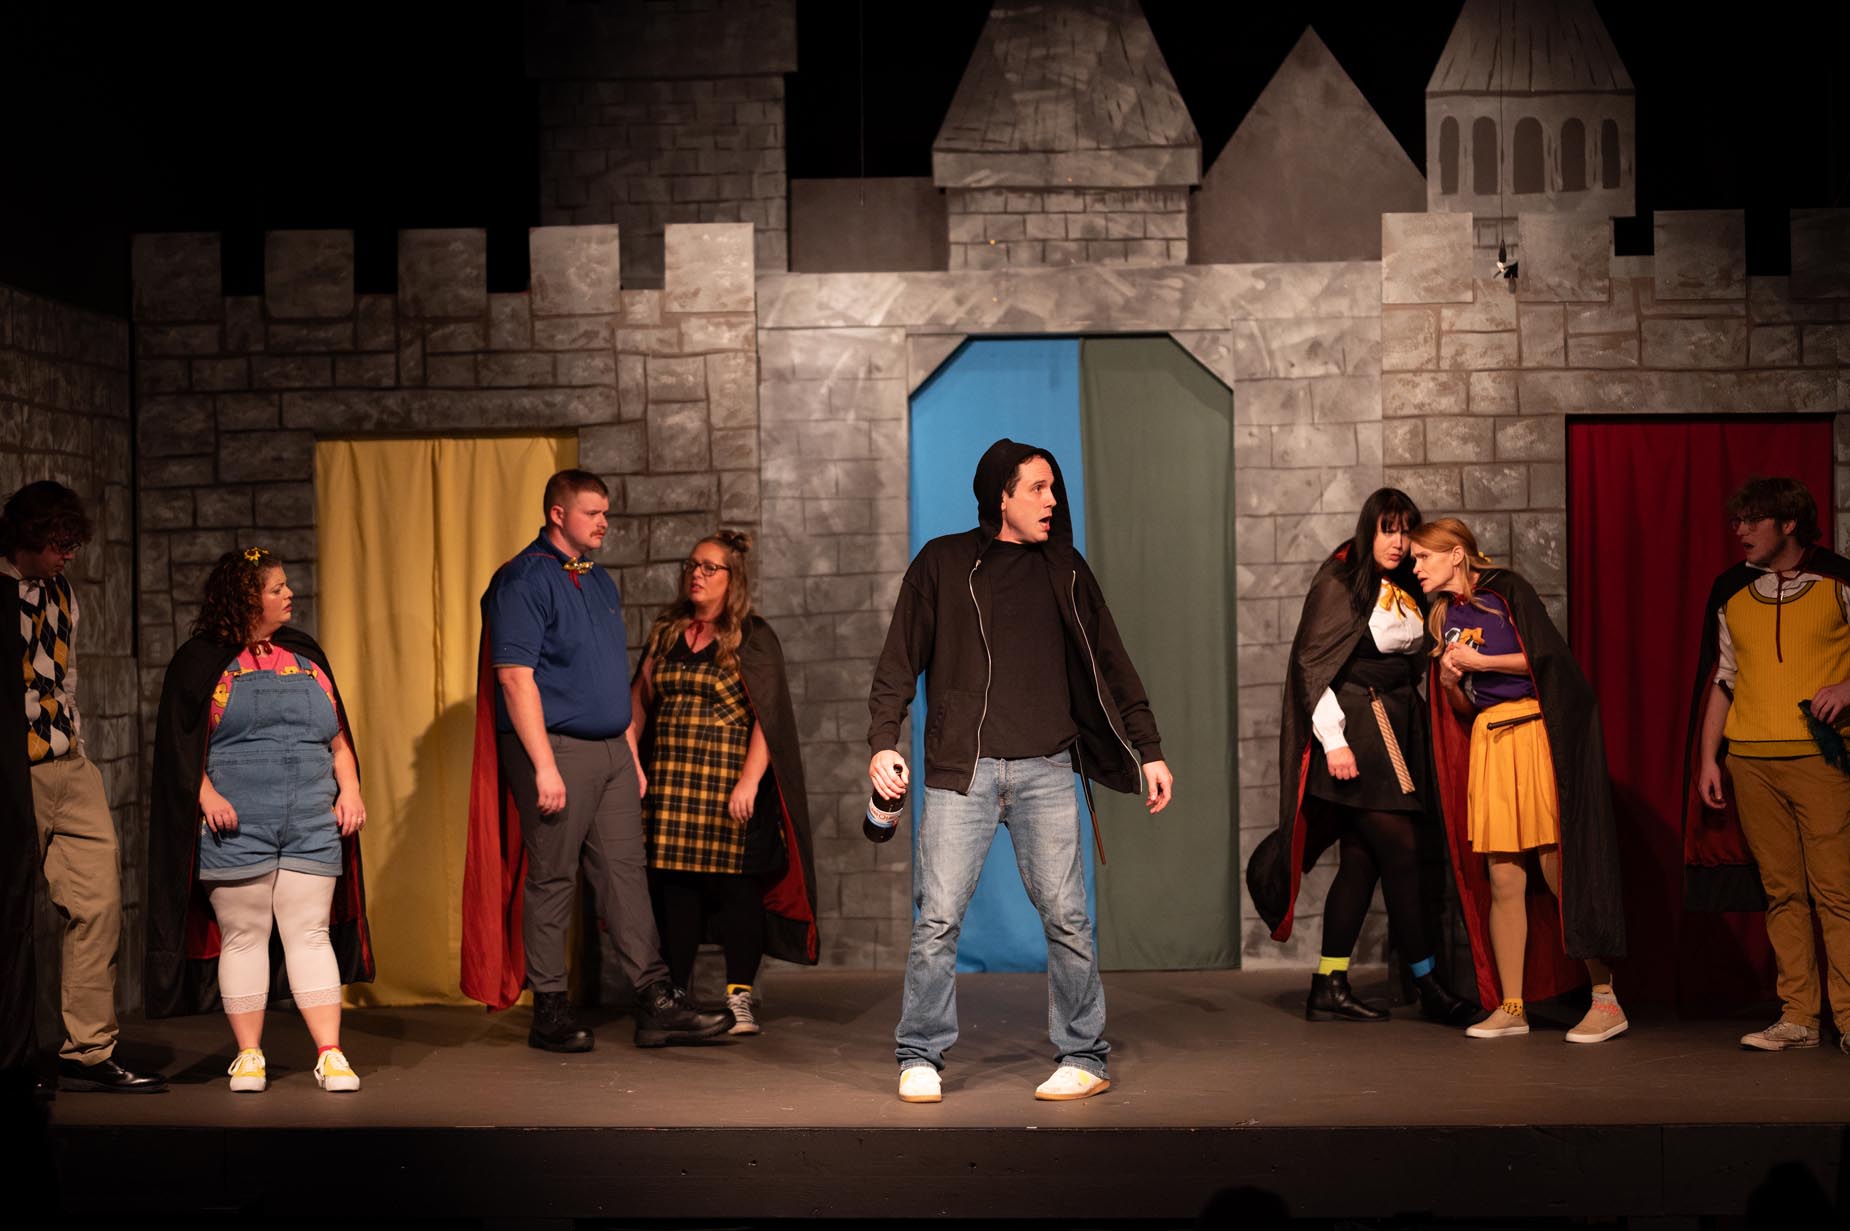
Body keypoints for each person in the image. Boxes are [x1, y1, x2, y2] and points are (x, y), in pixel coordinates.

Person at [867, 438, 1173, 1104]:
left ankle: (1084, 1055)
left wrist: (1147, 747)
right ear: (1000, 495)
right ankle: (919, 1054)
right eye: (1037, 487)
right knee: (937, 919)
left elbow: (1114, 662)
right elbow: (897, 662)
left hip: (1048, 769)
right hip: (963, 771)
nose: (1051, 499)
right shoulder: (943, 563)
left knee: (1068, 918)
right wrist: (882, 741)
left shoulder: (1066, 568)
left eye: (1053, 488)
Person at [462, 469, 729, 1049]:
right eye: (592, 512)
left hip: (611, 750)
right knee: (554, 877)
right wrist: (543, 765)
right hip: (556, 747)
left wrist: (629, 750)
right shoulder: (523, 579)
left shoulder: (599, 580)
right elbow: (514, 678)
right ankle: (549, 1010)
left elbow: (609, 677)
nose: (604, 522)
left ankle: (654, 999)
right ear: (558, 515)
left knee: (626, 874)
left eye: (605, 512)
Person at [1247, 489, 1478, 1027]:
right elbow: (1311, 666)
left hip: (1397, 723)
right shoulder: (1340, 581)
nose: (1398, 542)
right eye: (1387, 529)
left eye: (1406, 531)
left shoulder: (1409, 585)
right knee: (1402, 852)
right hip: (1360, 727)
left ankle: (1328, 984)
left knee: (1362, 860)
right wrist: (1334, 741)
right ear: (1368, 529)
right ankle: (1429, 985)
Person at [148, 547, 374, 1093]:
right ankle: (249, 1055)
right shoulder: (201, 662)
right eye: (277, 589)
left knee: (310, 934)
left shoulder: (306, 656)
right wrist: (205, 796)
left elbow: (338, 740)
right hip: (237, 825)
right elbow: (180, 749)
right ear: (248, 600)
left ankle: (330, 1054)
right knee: (244, 935)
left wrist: (350, 790)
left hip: (310, 821)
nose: (289, 594)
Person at [1409, 518, 1627, 1042]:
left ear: (1455, 554)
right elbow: (1464, 708)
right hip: (1489, 741)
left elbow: (1546, 659)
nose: (1415, 567)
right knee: (1504, 877)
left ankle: (1606, 1000)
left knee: (1557, 868)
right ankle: (1511, 1006)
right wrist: (1451, 682)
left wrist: (1481, 661)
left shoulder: (1504, 592)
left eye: (1423, 557)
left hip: (1532, 734)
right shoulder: (1444, 617)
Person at [2, 481, 164, 1093]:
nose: (68, 554)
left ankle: (88, 1050)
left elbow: (65, 675)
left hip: (69, 766)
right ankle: (11, 1059)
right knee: (10, 918)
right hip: (13, 774)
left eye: (72, 543)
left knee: (98, 905)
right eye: (59, 543)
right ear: (28, 536)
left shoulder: (62, 591)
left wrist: (79, 743)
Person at [630, 530, 820, 1034]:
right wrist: (631, 758)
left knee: (738, 891)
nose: (697, 574)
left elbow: (767, 717)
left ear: (732, 578)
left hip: (727, 785)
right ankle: (674, 997)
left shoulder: (752, 636)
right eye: (692, 565)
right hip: (671, 786)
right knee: (676, 891)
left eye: (709, 567)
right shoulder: (667, 630)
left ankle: (738, 999)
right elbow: (640, 698)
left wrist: (749, 782)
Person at [1685, 477, 1850, 1054]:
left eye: (1753, 520)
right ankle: (1799, 1015)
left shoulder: (1839, 581)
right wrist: (1709, 758)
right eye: (1737, 520)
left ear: (1788, 523)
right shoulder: (1732, 590)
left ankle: (1849, 1016)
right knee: (1782, 892)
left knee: (1836, 891)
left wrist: (1848, 687)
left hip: (1820, 758)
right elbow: (1723, 679)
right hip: (1750, 760)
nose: (1740, 531)